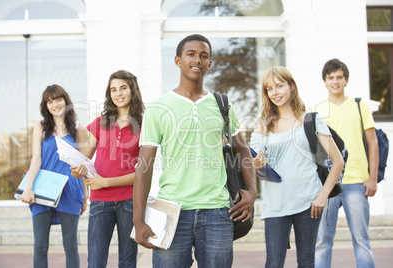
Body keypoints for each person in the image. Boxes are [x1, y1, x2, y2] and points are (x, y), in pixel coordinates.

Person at [133, 34, 257, 268]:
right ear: (178, 60)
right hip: (171, 211)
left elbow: (242, 150)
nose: (197, 60)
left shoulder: (222, 104)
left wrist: (252, 191)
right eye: (191, 54)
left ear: (209, 64)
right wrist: (138, 220)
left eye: (204, 56)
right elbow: (144, 167)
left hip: (217, 212)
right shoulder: (159, 107)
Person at [249, 66, 344, 267]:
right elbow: (253, 163)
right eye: (269, 89)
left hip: (309, 201)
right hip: (276, 204)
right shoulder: (263, 125)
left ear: (291, 86)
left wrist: (323, 194)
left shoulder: (311, 120)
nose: (274, 92)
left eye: (279, 86)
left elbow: (338, 161)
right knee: (273, 262)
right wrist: (256, 163)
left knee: (306, 262)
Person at [71, 70, 145, 268]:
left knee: (127, 262)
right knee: (95, 261)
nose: (118, 93)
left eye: (123, 88)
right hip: (100, 202)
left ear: (132, 90)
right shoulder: (100, 123)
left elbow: (143, 173)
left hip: (130, 201)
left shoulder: (145, 125)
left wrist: (105, 182)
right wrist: (77, 169)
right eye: (113, 89)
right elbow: (84, 158)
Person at [313, 58, 378, 268]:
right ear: (324, 81)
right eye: (330, 77)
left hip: (357, 182)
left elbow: (373, 143)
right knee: (322, 241)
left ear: (346, 80)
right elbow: (313, 150)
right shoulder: (316, 110)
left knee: (361, 240)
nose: (335, 81)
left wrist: (373, 178)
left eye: (339, 77)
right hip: (327, 185)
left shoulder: (360, 106)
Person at [20, 84, 88, 268]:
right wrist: (28, 187)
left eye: (58, 99)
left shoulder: (78, 128)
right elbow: (36, 159)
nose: (55, 104)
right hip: (44, 189)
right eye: (50, 102)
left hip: (71, 189)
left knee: (71, 246)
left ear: (66, 101)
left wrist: (85, 197)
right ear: (46, 106)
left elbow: (83, 164)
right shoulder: (40, 127)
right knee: (40, 246)